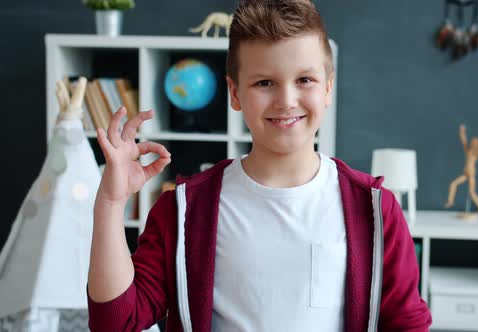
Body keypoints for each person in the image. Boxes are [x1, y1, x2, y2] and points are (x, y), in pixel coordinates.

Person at [87, 0, 431, 331]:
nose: (286, 101)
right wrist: (111, 203)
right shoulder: (182, 209)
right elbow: (116, 322)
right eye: (264, 83)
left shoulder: (373, 209)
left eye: (305, 80)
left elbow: (406, 325)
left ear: (328, 87)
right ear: (234, 93)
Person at [445, 124, 478, 213]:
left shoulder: (477, 152)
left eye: (475, 142)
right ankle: (450, 201)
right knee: (453, 184)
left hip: (471, 174)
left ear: (477, 144)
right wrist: (462, 131)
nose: (473, 143)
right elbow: (463, 140)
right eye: (472, 141)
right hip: (465, 173)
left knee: (472, 193)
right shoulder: (467, 151)